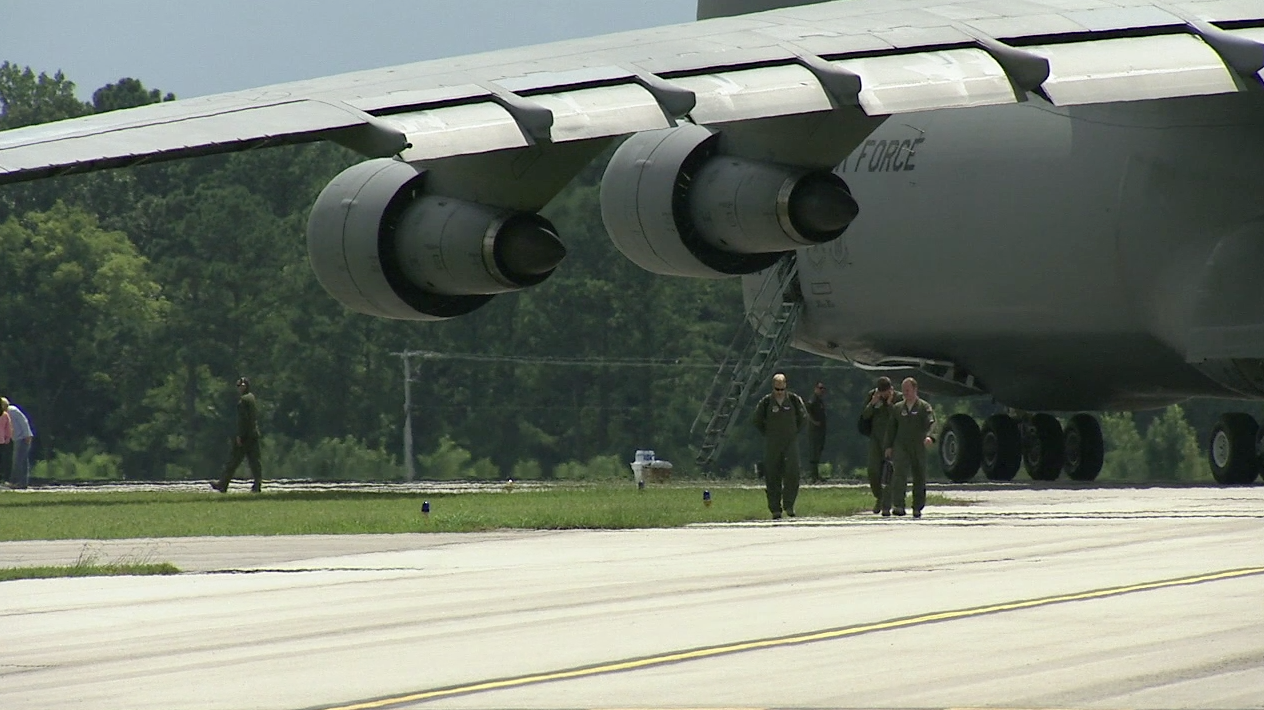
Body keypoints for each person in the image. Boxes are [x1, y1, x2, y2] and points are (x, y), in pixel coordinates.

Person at [752, 373, 807, 519]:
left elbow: (803, 418)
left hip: (790, 442)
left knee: (792, 473)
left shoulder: (794, 400)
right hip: (772, 444)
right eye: (777, 389)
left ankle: (789, 505)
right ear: (773, 388)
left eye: (782, 389)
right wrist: (768, 433)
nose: (779, 392)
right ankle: (775, 508)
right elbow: (757, 420)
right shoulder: (766, 402)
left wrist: (794, 432)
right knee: (772, 475)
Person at [882, 377, 936, 518]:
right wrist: (888, 446)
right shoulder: (898, 408)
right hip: (901, 446)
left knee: (919, 476)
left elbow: (931, 423)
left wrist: (930, 437)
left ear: (915, 389)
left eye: (908, 390)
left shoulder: (924, 407)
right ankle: (898, 505)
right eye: (903, 390)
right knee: (899, 475)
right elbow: (891, 428)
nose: (905, 393)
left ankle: (917, 506)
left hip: (919, 446)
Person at [211, 376, 263, 493]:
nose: (240, 388)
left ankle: (222, 484)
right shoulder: (252, 398)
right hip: (254, 434)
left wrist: (240, 435)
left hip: (245, 436)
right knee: (255, 462)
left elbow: (243, 420)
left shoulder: (243, 401)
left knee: (233, 461)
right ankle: (257, 485)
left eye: (241, 386)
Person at [859, 377, 897, 514]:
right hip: (875, 439)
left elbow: (898, 417)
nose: (883, 395)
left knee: (889, 474)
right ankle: (879, 497)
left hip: (892, 440)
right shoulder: (872, 396)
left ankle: (886, 505)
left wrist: (889, 403)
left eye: (885, 392)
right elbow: (865, 416)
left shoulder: (897, 398)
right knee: (873, 470)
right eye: (880, 392)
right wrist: (872, 404)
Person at [2, 398, 34, 489]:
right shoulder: (5, 414)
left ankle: (19, 483)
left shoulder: (13, 411)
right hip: (17, 438)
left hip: (23, 438)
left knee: (20, 461)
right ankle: (18, 482)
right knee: (19, 461)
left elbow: (23, 422)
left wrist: (27, 435)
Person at [805, 382, 828, 482]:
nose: (822, 390)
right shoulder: (813, 400)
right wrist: (814, 422)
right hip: (814, 430)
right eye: (820, 388)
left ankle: (816, 475)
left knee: (818, 451)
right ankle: (813, 476)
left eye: (823, 388)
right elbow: (807, 412)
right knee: (814, 452)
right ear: (815, 389)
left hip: (821, 430)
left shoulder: (820, 401)